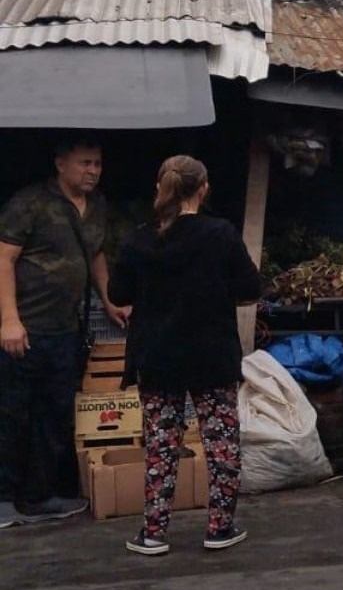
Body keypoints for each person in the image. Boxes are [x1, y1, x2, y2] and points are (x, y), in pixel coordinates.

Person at [109, 155, 260, 555]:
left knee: (161, 445)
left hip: (158, 357)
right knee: (221, 442)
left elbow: (117, 295)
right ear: (203, 188)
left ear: (161, 187)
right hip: (212, 355)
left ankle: (154, 532)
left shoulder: (138, 240)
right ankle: (219, 527)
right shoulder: (221, 234)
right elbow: (251, 285)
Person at [0, 135, 128, 529]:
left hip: (65, 331)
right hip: (24, 330)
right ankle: (3, 498)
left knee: (53, 416)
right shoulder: (30, 203)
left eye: (97, 164)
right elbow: (3, 259)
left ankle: (39, 497)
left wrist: (109, 300)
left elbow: (97, 254)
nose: (92, 171)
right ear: (61, 164)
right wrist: (9, 319)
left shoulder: (97, 206)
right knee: (11, 415)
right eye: (85, 163)